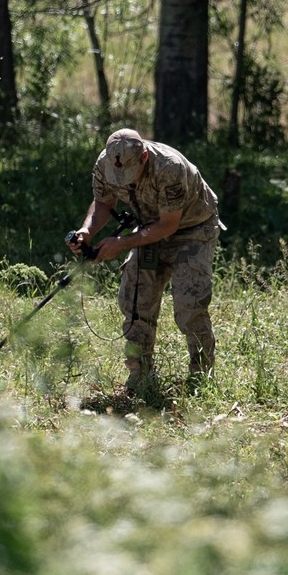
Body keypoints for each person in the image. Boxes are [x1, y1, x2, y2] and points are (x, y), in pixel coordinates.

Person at [66, 128, 223, 400]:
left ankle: (201, 377)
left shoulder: (169, 168)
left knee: (190, 304)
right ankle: (140, 375)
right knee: (136, 301)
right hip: (150, 227)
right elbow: (103, 203)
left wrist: (122, 243)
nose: (121, 181)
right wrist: (86, 232)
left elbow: (169, 225)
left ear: (145, 157)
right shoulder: (105, 163)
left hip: (192, 230)